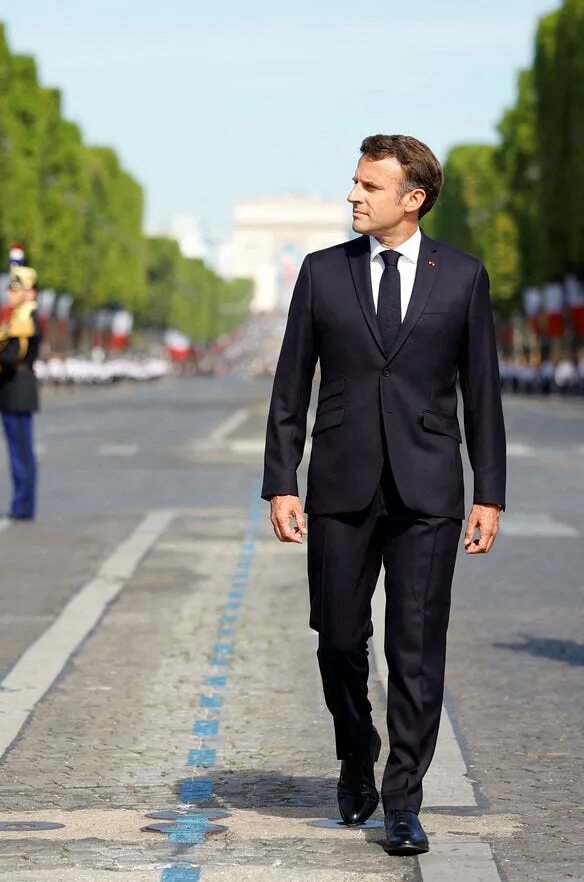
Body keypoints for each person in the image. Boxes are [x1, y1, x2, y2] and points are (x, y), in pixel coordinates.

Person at [262, 135, 506, 857]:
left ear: (413, 198)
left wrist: (489, 492)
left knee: (416, 649)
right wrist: (281, 478)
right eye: (354, 183)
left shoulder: (462, 277)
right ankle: (355, 743)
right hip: (339, 482)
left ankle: (404, 799)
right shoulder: (320, 273)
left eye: (369, 186)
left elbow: (483, 395)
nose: (353, 197)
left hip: (429, 487)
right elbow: (289, 388)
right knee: (338, 637)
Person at [0, 246, 41, 521]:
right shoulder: (18, 319)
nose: (11, 294)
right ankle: (22, 502)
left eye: (16, 290)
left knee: (20, 451)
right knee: (19, 450)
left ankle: (22, 503)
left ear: (29, 293)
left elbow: (10, 355)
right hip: (15, 388)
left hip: (17, 387)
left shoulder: (25, 319)